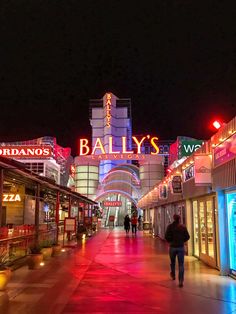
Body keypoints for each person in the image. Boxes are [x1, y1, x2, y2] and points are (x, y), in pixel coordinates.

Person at [165, 214, 190, 288]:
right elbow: (187, 236)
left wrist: (170, 241)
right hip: (180, 247)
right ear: (180, 219)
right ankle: (181, 281)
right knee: (181, 265)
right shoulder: (183, 227)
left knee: (172, 262)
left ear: (173, 218)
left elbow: (166, 236)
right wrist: (182, 241)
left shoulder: (170, 227)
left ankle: (173, 274)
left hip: (172, 247)